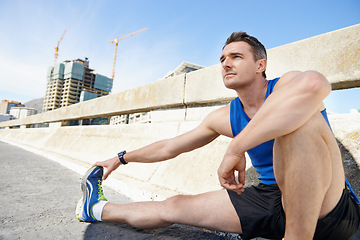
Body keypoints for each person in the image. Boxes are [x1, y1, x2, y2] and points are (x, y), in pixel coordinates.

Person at [76, 31, 360, 240]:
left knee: (300, 122)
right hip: (271, 199)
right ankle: (97, 208)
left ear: (261, 65)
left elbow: (314, 84)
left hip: (330, 206)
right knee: (175, 206)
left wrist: (237, 147)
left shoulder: (286, 85)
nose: (226, 63)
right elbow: (170, 147)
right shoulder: (225, 116)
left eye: (237, 56)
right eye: (222, 58)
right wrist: (121, 158)